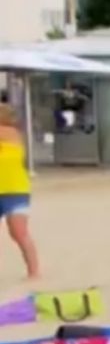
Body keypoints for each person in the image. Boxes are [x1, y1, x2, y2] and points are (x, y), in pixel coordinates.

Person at [0, 103, 40, 280]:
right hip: (8, 188)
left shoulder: (9, 133)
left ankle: (34, 271)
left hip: (15, 189)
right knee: (18, 232)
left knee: (18, 232)